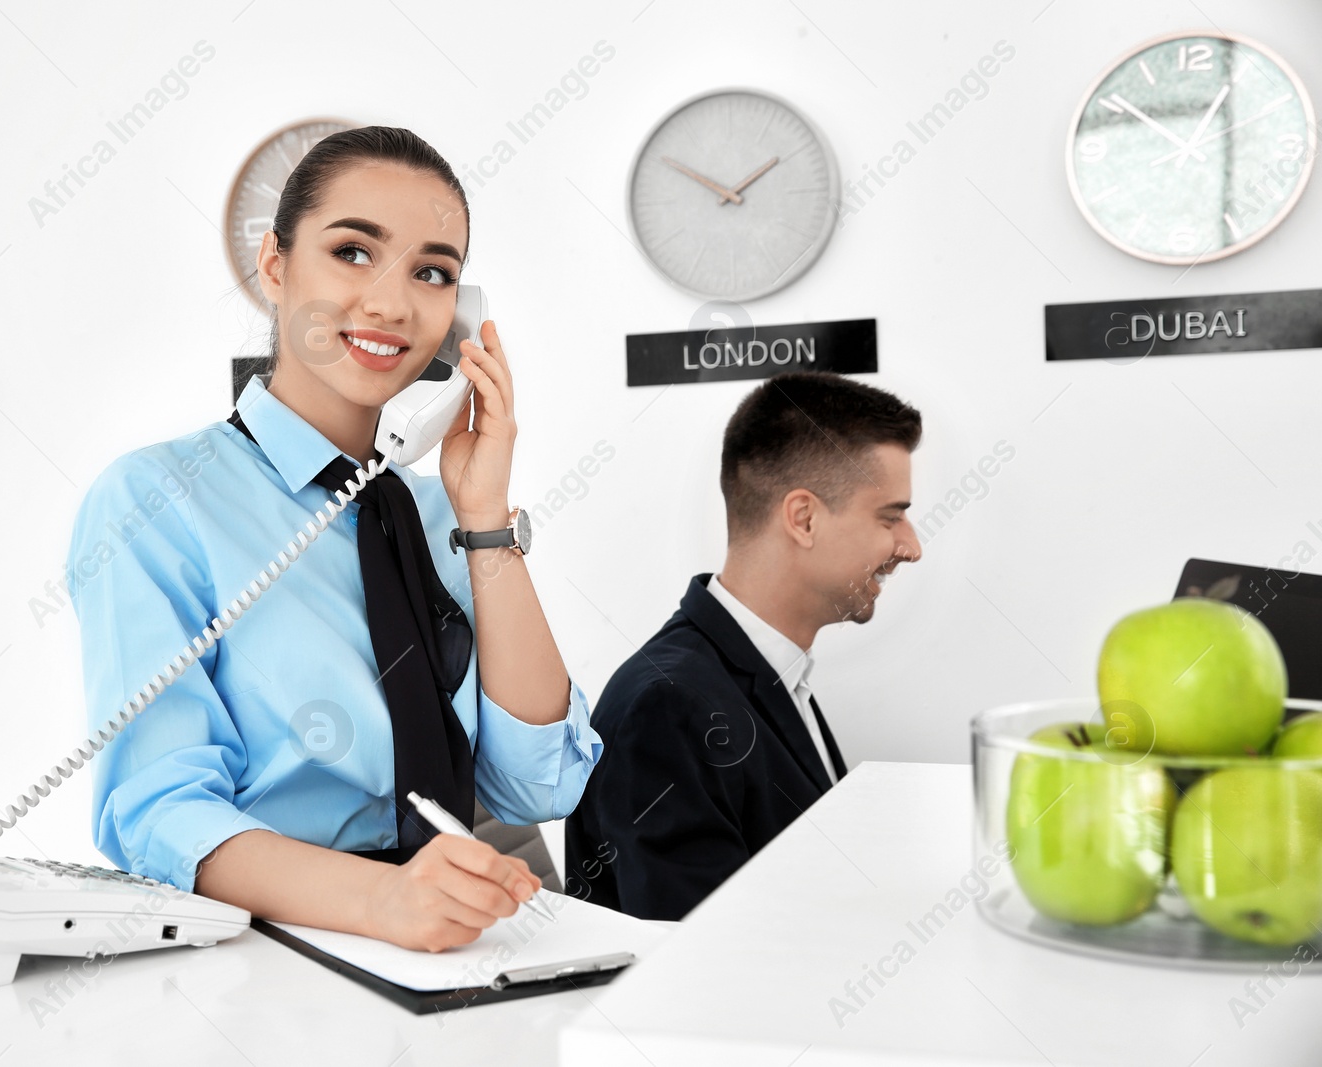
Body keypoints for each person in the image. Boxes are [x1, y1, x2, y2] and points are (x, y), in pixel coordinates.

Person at [66, 126, 601, 952]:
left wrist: (487, 515)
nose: (390, 304)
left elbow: (538, 781)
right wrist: (381, 901)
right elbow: (157, 809)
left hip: (463, 926)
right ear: (274, 268)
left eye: (432, 273)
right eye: (353, 252)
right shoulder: (154, 498)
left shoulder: (437, 514)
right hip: (279, 945)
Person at [564, 371, 922, 920]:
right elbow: (698, 967)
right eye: (891, 516)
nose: (911, 546)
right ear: (803, 518)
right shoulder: (667, 708)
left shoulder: (767, 674)